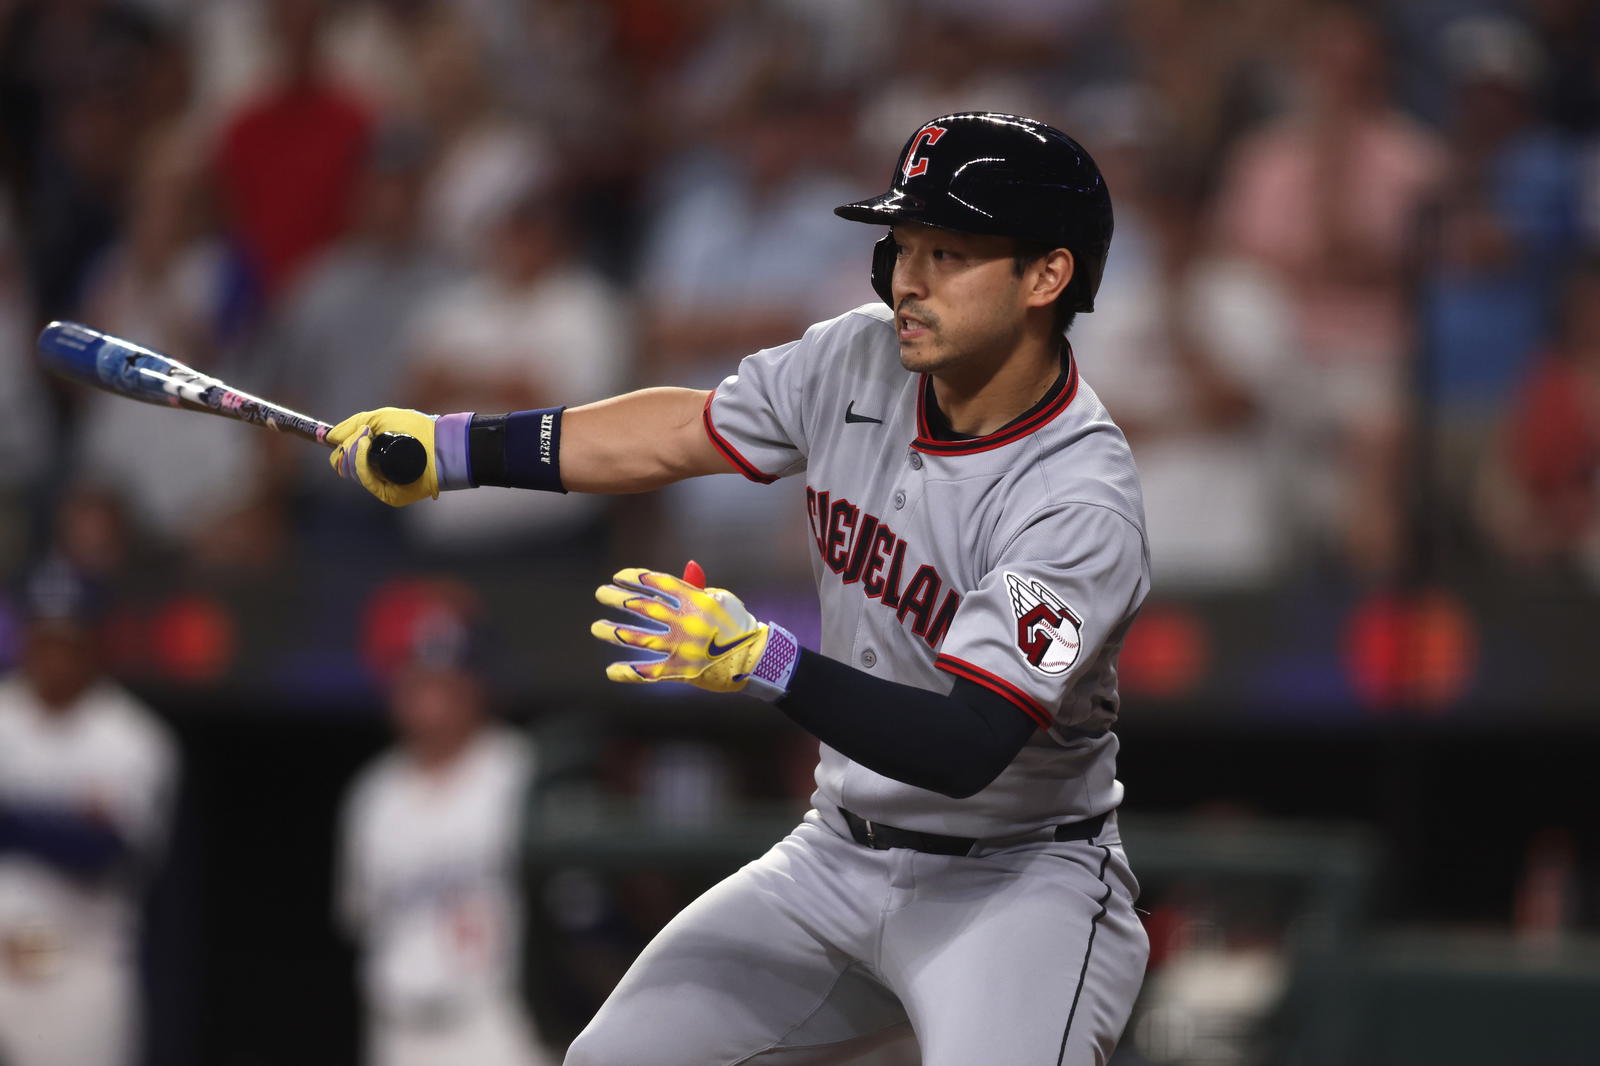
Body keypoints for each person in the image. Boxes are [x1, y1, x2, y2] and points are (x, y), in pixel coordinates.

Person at [331, 112, 1150, 1064]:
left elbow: (969, 744)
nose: (908, 279)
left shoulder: (1077, 498)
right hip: (840, 851)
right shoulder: (858, 354)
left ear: (1047, 276)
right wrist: (456, 447)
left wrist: (766, 661)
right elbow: (681, 429)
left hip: (1018, 882)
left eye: (951, 252)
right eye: (903, 245)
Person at [337, 586, 555, 1066]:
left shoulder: (519, 772)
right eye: (418, 680)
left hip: (493, 1021)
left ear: (476, 685)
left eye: (447, 681)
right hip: (397, 1027)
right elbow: (359, 918)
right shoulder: (373, 795)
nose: (432, 699)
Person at [0, 558, 179, 1066]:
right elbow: (72, 837)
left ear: (95, 645)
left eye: (69, 640)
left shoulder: (133, 739)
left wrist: (12, 821)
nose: (53, 655)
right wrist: (57, 823)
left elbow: (104, 853)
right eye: (44, 637)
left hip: (78, 972)